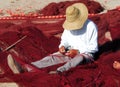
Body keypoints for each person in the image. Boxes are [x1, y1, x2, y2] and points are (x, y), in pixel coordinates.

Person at [7, 3, 98, 74]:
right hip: (69, 52)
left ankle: (60, 71)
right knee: (51, 58)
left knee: (78, 59)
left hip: (85, 55)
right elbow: (65, 40)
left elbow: (93, 48)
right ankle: (26, 68)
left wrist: (77, 51)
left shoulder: (91, 26)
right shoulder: (68, 26)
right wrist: (62, 47)